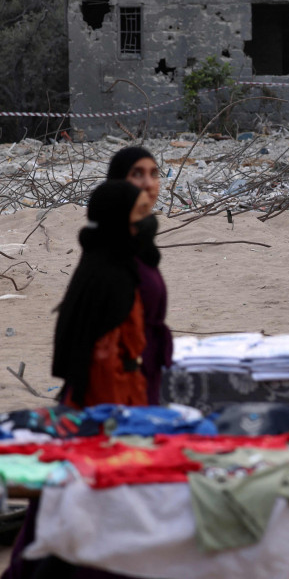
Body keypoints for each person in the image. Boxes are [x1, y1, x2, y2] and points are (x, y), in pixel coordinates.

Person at [52, 180, 156, 408]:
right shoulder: (112, 275)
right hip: (110, 394)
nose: (148, 221)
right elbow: (105, 358)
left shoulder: (101, 258)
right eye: (140, 213)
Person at [107, 146, 172, 405]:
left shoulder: (142, 242)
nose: (148, 183)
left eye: (154, 174)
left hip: (146, 371)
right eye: (137, 174)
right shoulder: (110, 244)